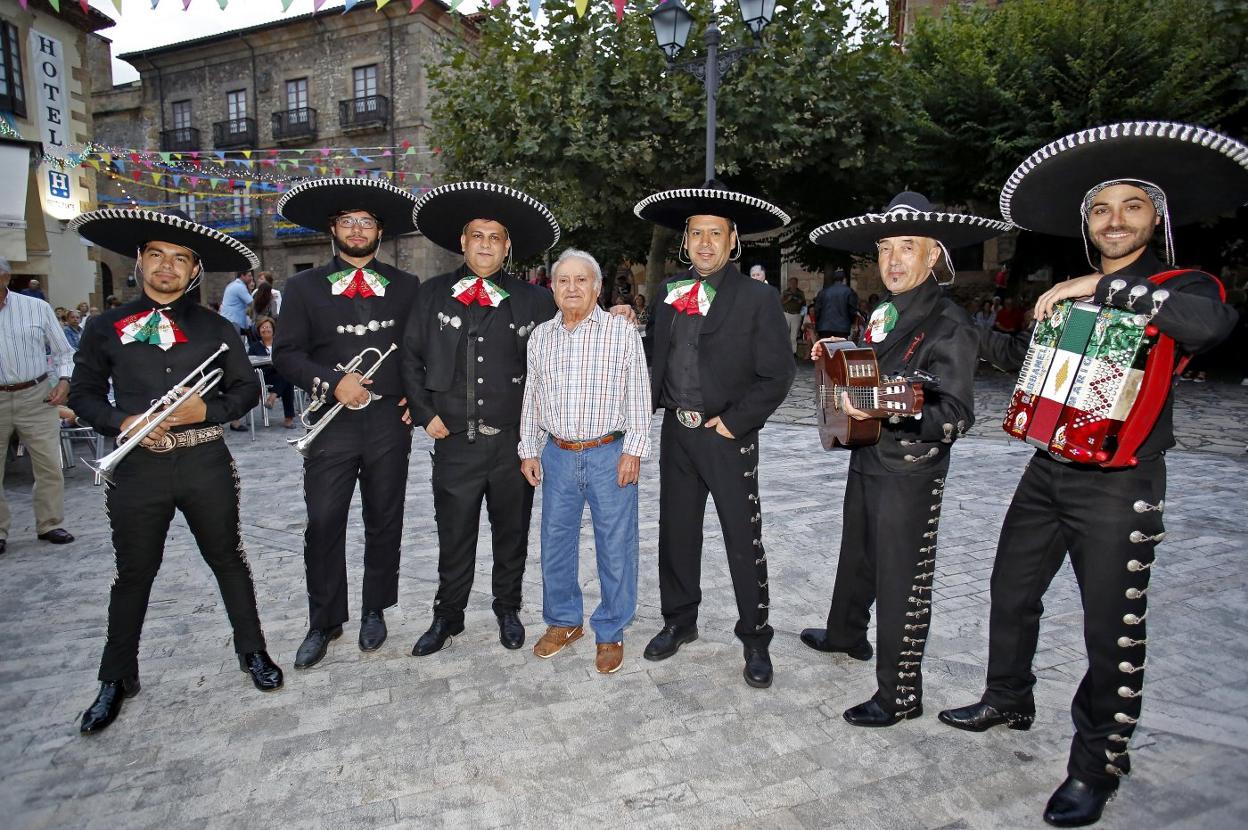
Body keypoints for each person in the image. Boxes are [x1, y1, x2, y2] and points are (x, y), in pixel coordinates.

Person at [938, 121, 1244, 828]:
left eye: (1131, 207)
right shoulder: (1072, 292)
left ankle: (1096, 763)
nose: (1115, 220)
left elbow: (1211, 326)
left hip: (1121, 483)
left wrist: (1105, 287)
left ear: (1156, 217)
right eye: (1101, 210)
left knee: (1114, 629)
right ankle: (1008, 695)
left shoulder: (1182, 284)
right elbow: (1049, 369)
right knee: (1010, 590)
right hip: (1048, 468)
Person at [67, 207, 283, 734]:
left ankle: (252, 652)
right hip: (137, 465)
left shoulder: (215, 327)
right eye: (156, 256)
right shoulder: (104, 326)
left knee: (228, 558)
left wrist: (202, 411)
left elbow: (246, 390)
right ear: (140, 262)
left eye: (180, 259)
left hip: (204, 459)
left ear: (194, 271)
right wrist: (124, 420)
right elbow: (83, 394)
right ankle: (117, 678)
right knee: (134, 573)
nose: (167, 267)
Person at [799, 191, 1007, 726]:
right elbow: (875, 372)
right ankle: (847, 634)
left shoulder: (948, 322)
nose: (893, 260)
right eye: (886, 248)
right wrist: (840, 353)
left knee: (900, 580)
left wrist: (888, 409)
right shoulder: (887, 313)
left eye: (907, 247)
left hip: (911, 470)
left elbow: (957, 413)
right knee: (858, 555)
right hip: (867, 456)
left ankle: (900, 694)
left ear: (933, 255)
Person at [633, 182, 795, 688]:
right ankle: (679, 621)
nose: (705, 242)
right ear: (685, 240)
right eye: (697, 233)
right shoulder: (668, 293)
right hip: (675, 435)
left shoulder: (758, 297)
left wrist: (734, 422)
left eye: (715, 234)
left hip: (726, 436)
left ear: (733, 242)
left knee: (742, 540)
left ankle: (755, 638)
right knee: (677, 534)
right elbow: (655, 353)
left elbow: (778, 374)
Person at [402, 181, 561, 656]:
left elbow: (562, 347)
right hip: (453, 443)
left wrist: (611, 315)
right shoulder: (431, 295)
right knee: (454, 537)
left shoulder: (535, 300)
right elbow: (409, 359)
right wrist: (424, 414)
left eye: (495, 237)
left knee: (511, 535)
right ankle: (447, 616)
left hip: (513, 444)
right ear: (463, 242)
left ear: (507, 245)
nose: (486, 244)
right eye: (477, 235)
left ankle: (507, 609)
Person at [273, 177, 420, 668]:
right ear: (333, 229)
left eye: (367, 223)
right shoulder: (301, 286)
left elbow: (420, 352)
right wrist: (331, 383)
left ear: (380, 232)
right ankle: (325, 619)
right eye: (348, 222)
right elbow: (286, 355)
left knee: (384, 519)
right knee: (323, 522)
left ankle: (375, 607)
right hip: (329, 422)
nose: (358, 230)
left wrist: (415, 400)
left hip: (385, 422)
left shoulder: (407, 285)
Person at [519, 248, 652, 674]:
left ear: (596, 287)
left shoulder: (621, 332)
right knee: (555, 543)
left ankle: (611, 628)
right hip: (557, 454)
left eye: (581, 280)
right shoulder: (541, 336)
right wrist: (528, 448)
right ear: (552, 288)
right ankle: (563, 621)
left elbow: (639, 394)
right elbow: (533, 398)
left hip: (609, 453)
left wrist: (634, 449)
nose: (572, 288)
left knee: (615, 546)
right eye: (563, 281)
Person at [0, 256, 76, 557]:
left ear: (5, 278)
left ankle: (49, 523)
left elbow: (64, 352)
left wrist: (64, 382)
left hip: (36, 394)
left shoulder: (35, 307)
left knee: (48, 464)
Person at [248, 316, 295, 429]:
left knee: (286, 377)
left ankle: (272, 397)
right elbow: (251, 362)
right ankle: (288, 418)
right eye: (263, 327)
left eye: (268, 327)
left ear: (273, 330)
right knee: (286, 377)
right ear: (259, 330)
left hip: (280, 374)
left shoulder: (280, 344)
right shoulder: (254, 347)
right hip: (263, 376)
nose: (265, 329)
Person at [813, 268, 859, 339]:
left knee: (826, 348)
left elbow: (817, 309)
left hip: (824, 326)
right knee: (840, 348)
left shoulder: (824, 291)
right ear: (844, 279)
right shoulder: (849, 291)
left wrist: (817, 324)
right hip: (842, 327)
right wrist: (852, 322)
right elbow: (852, 310)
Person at [220, 269, 254, 335]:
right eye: (249, 276)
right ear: (242, 276)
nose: (251, 278)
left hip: (228, 320)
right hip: (234, 322)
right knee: (236, 343)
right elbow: (252, 303)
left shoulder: (231, 285)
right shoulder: (240, 287)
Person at [781, 277, 806, 355]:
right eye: (791, 283)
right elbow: (780, 302)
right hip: (787, 314)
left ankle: (793, 352)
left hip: (796, 315)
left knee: (794, 335)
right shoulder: (785, 292)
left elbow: (804, 305)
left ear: (797, 283)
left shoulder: (800, 293)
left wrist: (802, 315)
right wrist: (788, 299)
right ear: (789, 284)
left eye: (794, 283)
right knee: (785, 333)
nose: (793, 284)